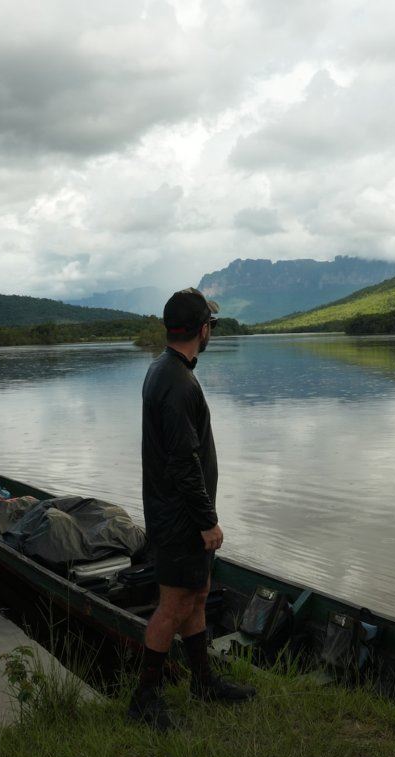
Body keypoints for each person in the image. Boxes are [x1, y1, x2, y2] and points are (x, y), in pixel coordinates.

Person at [128, 288, 256, 731]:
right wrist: (207, 522)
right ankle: (144, 699)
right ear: (201, 329)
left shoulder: (164, 369)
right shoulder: (178, 383)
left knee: (197, 595)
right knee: (173, 605)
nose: (211, 334)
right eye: (211, 326)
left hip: (175, 512)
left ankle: (203, 681)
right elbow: (185, 465)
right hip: (180, 517)